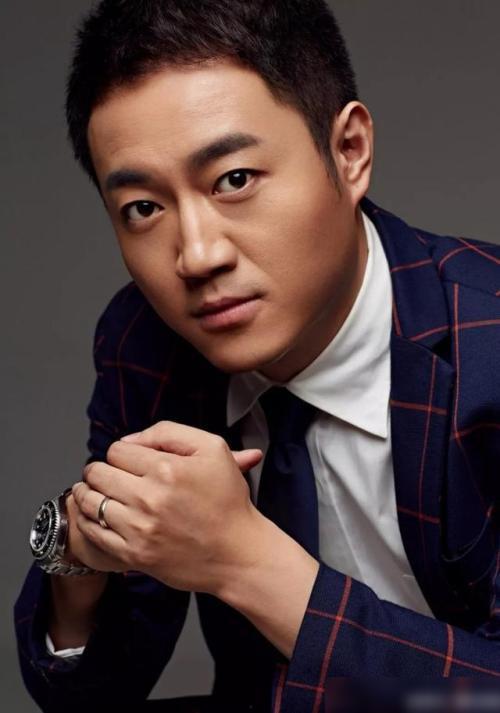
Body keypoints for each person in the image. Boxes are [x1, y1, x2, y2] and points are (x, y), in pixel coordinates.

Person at [13, 1, 500, 712]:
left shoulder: (486, 340)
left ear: (349, 151)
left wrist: (244, 562)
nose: (196, 255)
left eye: (234, 179)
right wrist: (76, 551)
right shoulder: (147, 342)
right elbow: (92, 695)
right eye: (144, 208)